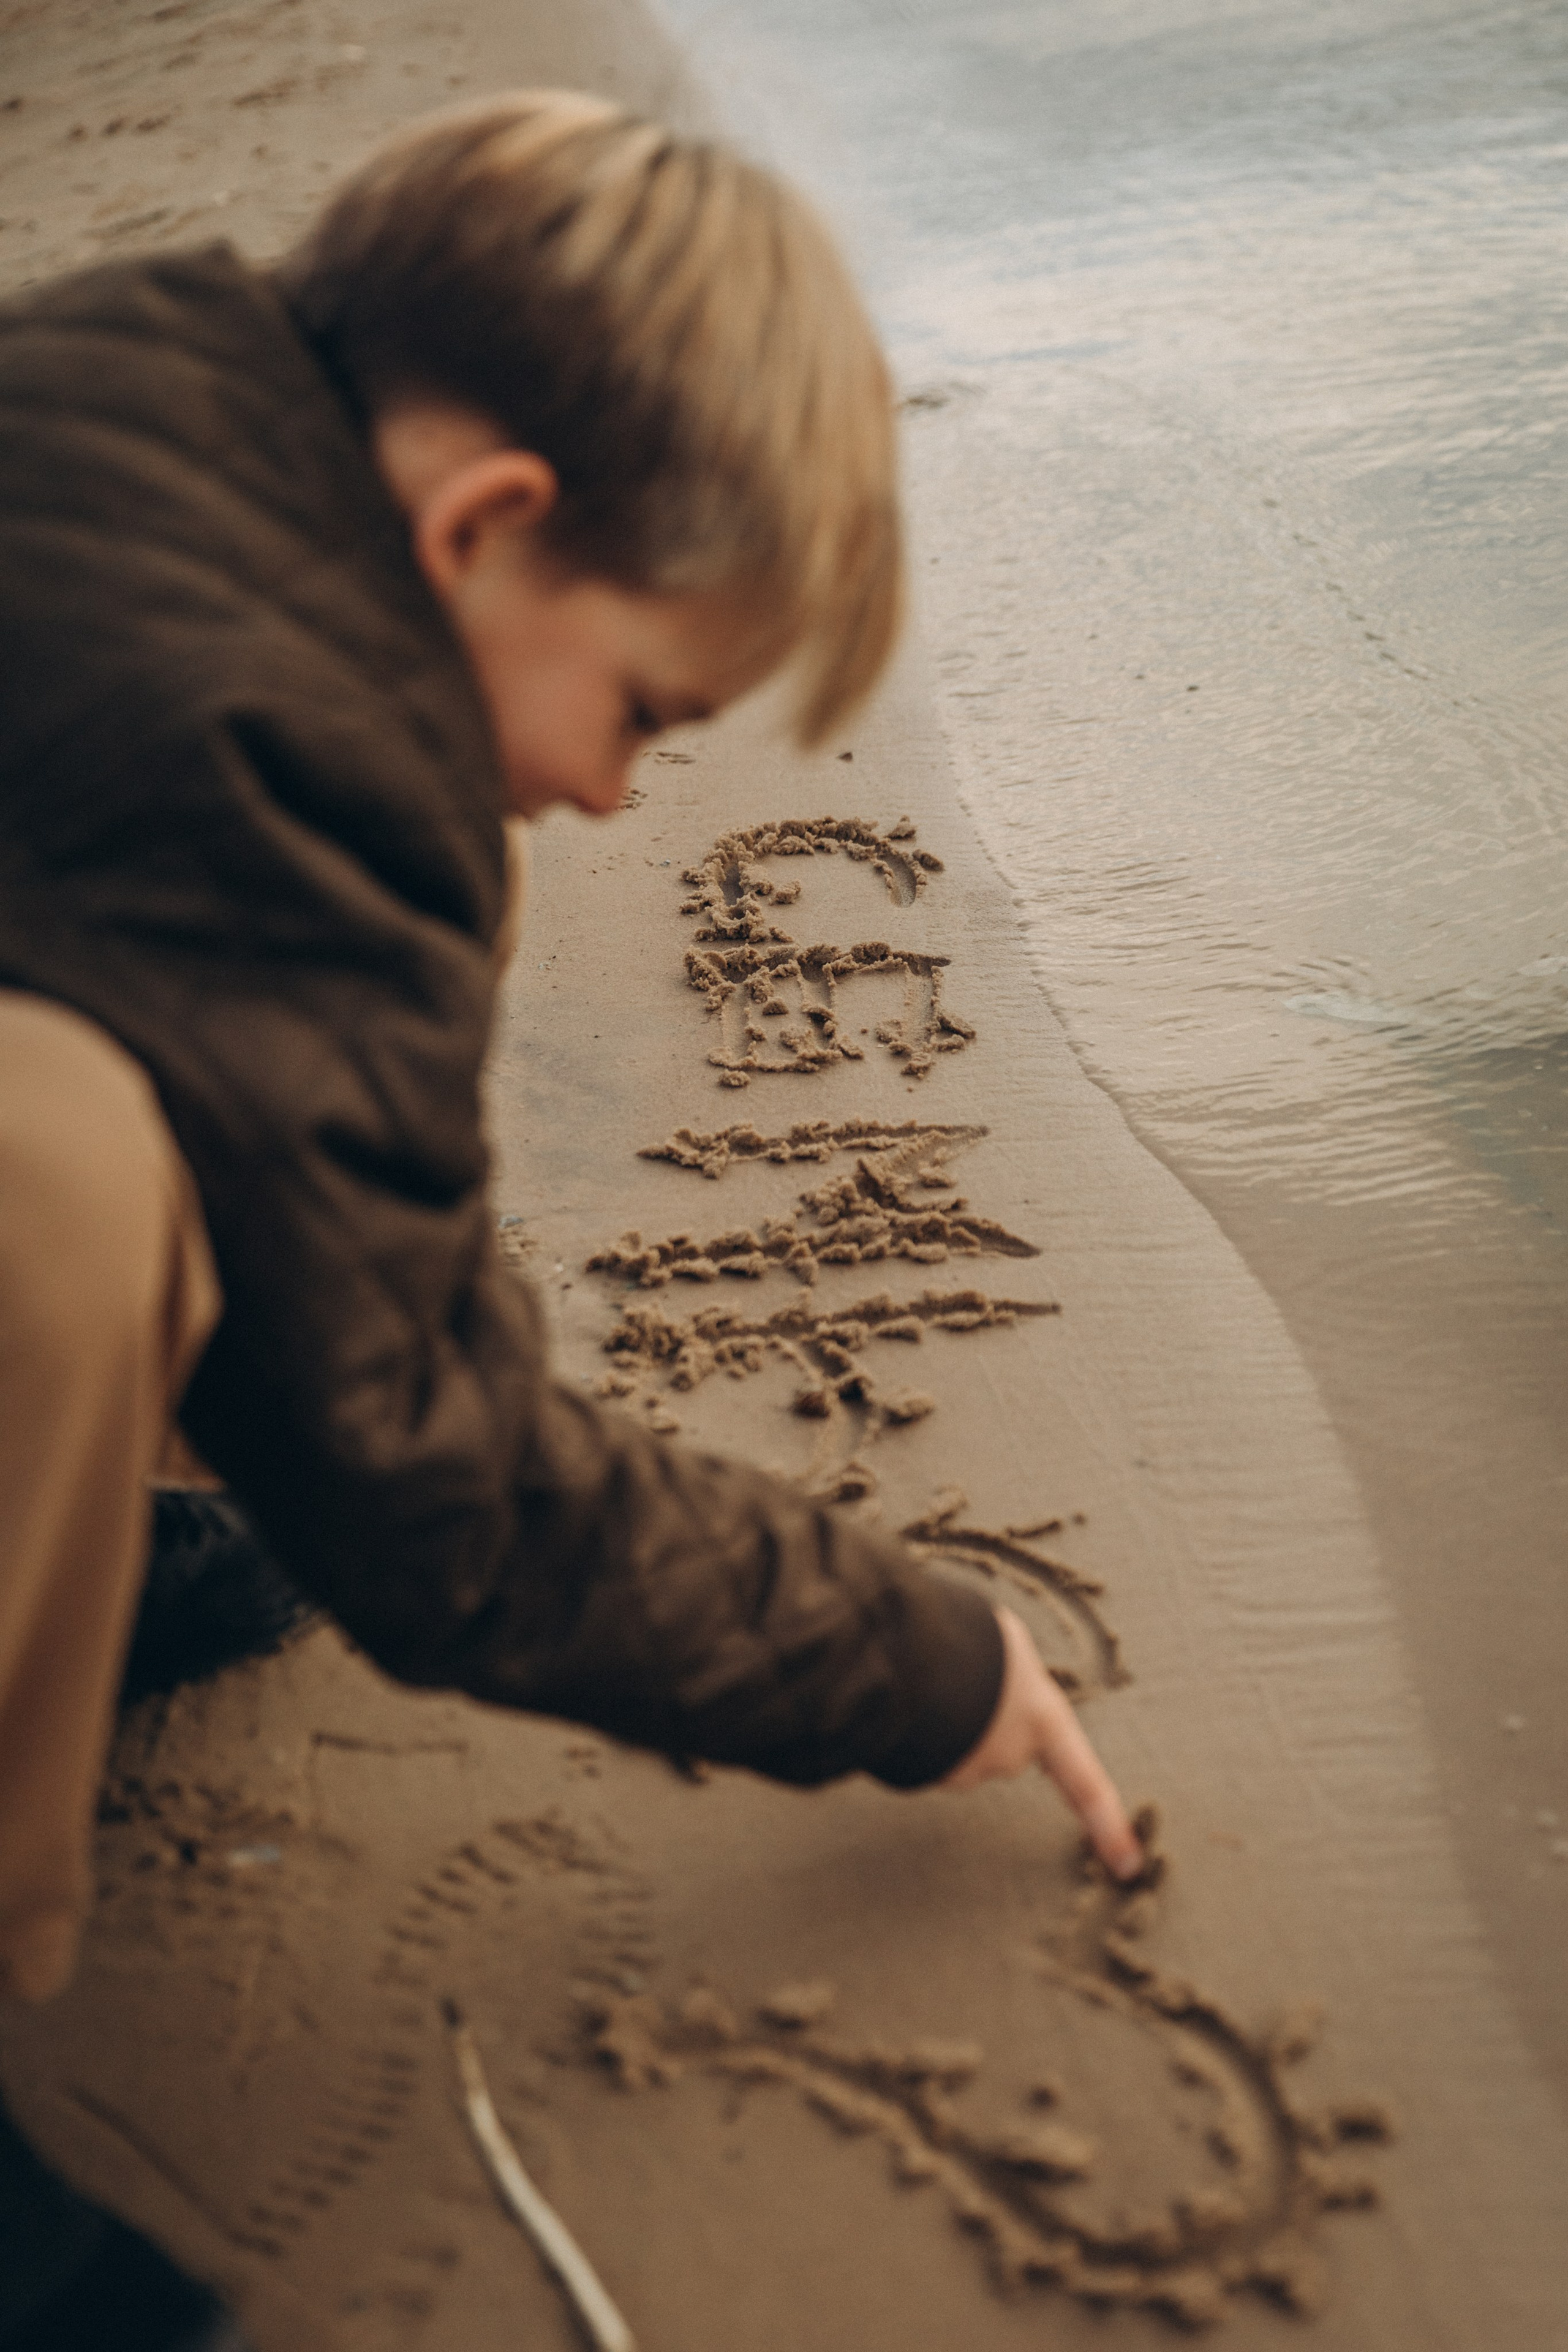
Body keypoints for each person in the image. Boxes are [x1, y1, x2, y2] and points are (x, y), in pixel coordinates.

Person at [0, 91, 1140, 2347]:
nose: (616, 789)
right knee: (50, 1172)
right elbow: (447, 1507)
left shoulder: (135, 392)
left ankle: (72, 1546)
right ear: (490, 521)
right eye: (643, 707)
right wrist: (917, 1659)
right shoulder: (270, 741)